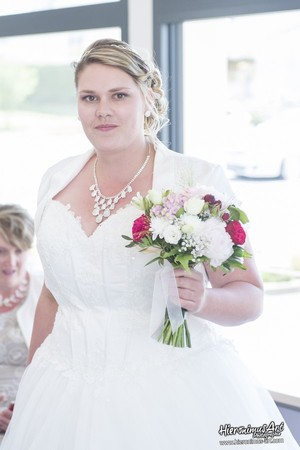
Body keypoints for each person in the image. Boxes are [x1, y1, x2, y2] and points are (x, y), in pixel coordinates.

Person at [1, 39, 298, 450]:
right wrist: (33, 381)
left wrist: (205, 301)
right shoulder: (55, 180)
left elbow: (250, 296)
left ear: (149, 97)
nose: (102, 110)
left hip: (170, 389)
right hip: (61, 385)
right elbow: (53, 295)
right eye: (89, 97)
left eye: (119, 95)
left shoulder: (194, 180)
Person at [0, 204, 43, 444]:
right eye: (1, 251)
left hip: (33, 410)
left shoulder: (46, 291)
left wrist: (25, 411)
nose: (11, 262)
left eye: (19, 250)